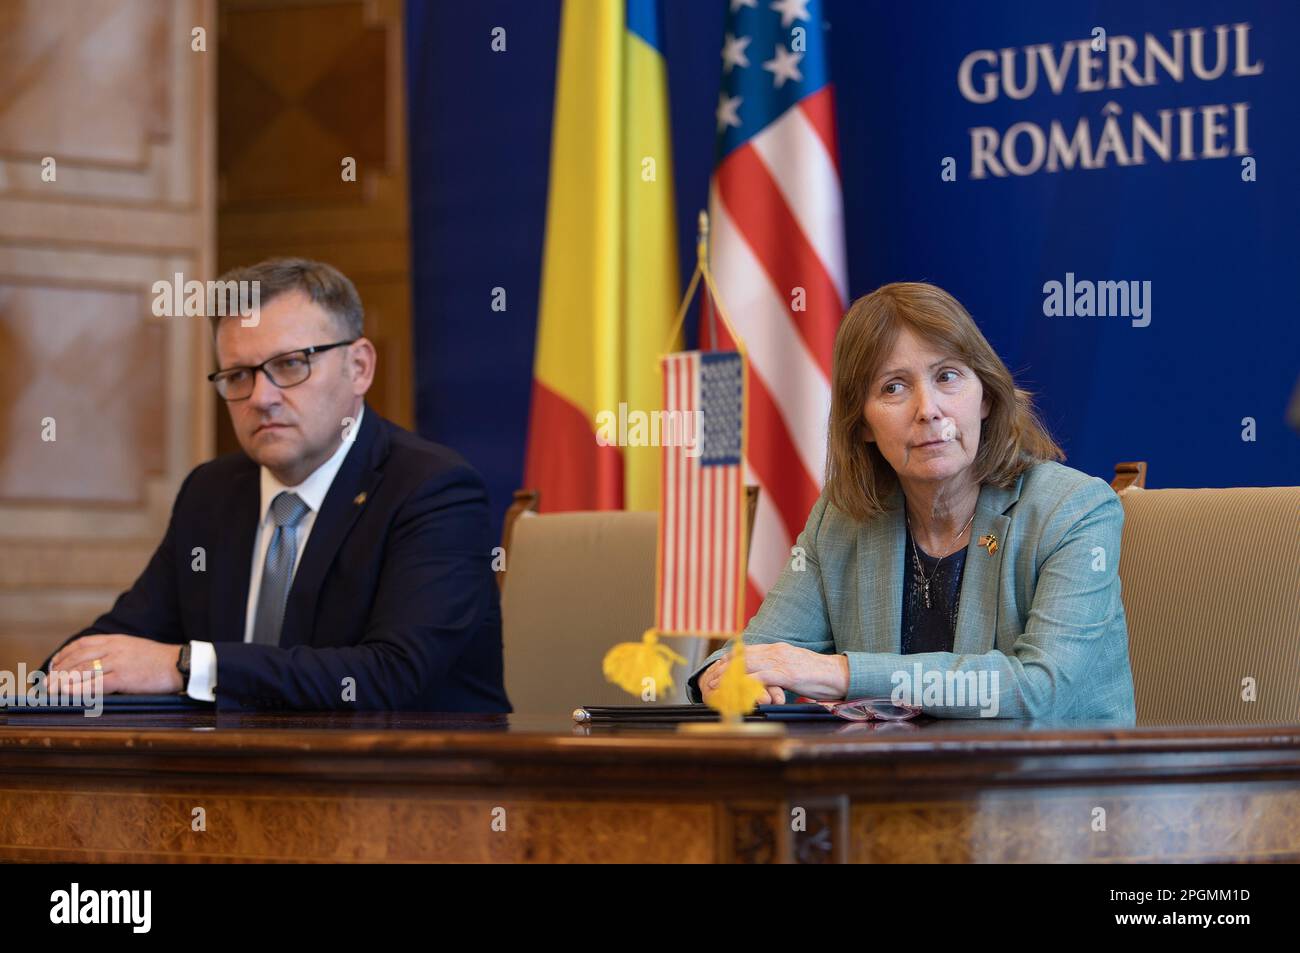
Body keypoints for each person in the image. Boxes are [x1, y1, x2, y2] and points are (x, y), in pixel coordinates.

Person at [45, 258, 509, 712]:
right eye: (239, 376)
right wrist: (58, 679)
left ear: (360, 367)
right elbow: (125, 639)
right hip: (230, 778)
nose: (262, 398)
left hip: (413, 779)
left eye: (290, 365)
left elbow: (391, 674)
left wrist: (188, 666)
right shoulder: (212, 493)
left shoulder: (432, 490)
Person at [689, 282, 1135, 721]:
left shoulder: (1073, 510)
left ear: (985, 396)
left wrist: (842, 673)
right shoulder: (843, 521)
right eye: (893, 388)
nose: (928, 409)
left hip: (1057, 786)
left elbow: (1039, 687)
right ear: (861, 423)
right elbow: (759, 648)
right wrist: (723, 677)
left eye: (947, 377)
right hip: (897, 785)